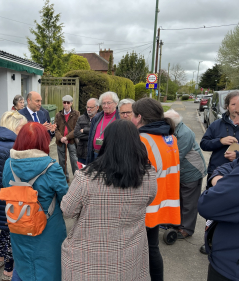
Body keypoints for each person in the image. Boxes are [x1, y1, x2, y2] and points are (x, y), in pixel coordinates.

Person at [61, 120, 157, 280]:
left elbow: (67, 210)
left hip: (87, 260)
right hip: (129, 258)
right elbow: (148, 201)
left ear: (106, 143)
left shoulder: (85, 178)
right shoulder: (148, 177)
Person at [2, 122, 68, 281]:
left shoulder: (8, 164)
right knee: (49, 267)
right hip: (47, 227)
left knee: (23, 263)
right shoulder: (52, 168)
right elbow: (66, 200)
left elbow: (6, 187)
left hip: (19, 222)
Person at [131, 98, 180, 281]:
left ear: (139, 117)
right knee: (152, 247)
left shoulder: (142, 139)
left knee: (146, 249)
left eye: (133, 115)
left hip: (146, 204)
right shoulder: (170, 137)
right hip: (163, 200)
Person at [0, 111, 27, 281]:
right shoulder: (13, 145)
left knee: (5, 229)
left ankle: (0, 258)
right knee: (13, 231)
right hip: (9, 195)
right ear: (16, 126)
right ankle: (9, 269)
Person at [199, 90, 239, 254]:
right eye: (234, 104)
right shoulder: (217, 125)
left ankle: (229, 245)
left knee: (232, 210)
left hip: (235, 178)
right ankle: (209, 240)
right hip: (216, 173)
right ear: (227, 107)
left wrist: (237, 155)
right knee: (212, 208)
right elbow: (204, 144)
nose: (237, 108)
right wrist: (220, 141)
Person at [164, 109, 207, 239]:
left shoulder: (184, 134)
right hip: (180, 172)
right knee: (179, 199)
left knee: (189, 202)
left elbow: (176, 157)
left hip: (191, 172)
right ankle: (177, 223)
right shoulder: (173, 129)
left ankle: (186, 229)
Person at [86, 91, 120, 164]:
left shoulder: (119, 119)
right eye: (103, 103)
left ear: (116, 103)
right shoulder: (97, 117)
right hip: (95, 154)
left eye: (109, 103)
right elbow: (90, 138)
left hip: (111, 156)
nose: (106, 106)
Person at [55, 95, 80, 181]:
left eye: (68, 102)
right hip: (60, 141)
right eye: (64, 102)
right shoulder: (58, 115)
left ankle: (77, 179)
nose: (66, 104)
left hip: (72, 141)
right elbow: (55, 128)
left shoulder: (76, 114)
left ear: (71, 103)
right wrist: (61, 138)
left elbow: (77, 128)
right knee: (62, 161)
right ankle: (64, 178)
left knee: (74, 160)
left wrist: (67, 137)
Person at [74, 98, 99, 165]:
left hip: (95, 154)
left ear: (97, 107)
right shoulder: (81, 118)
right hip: (82, 153)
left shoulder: (100, 119)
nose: (88, 109)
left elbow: (98, 136)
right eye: (87, 107)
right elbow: (76, 133)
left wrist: (84, 130)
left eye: (91, 107)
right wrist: (92, 135)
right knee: (82, 174)